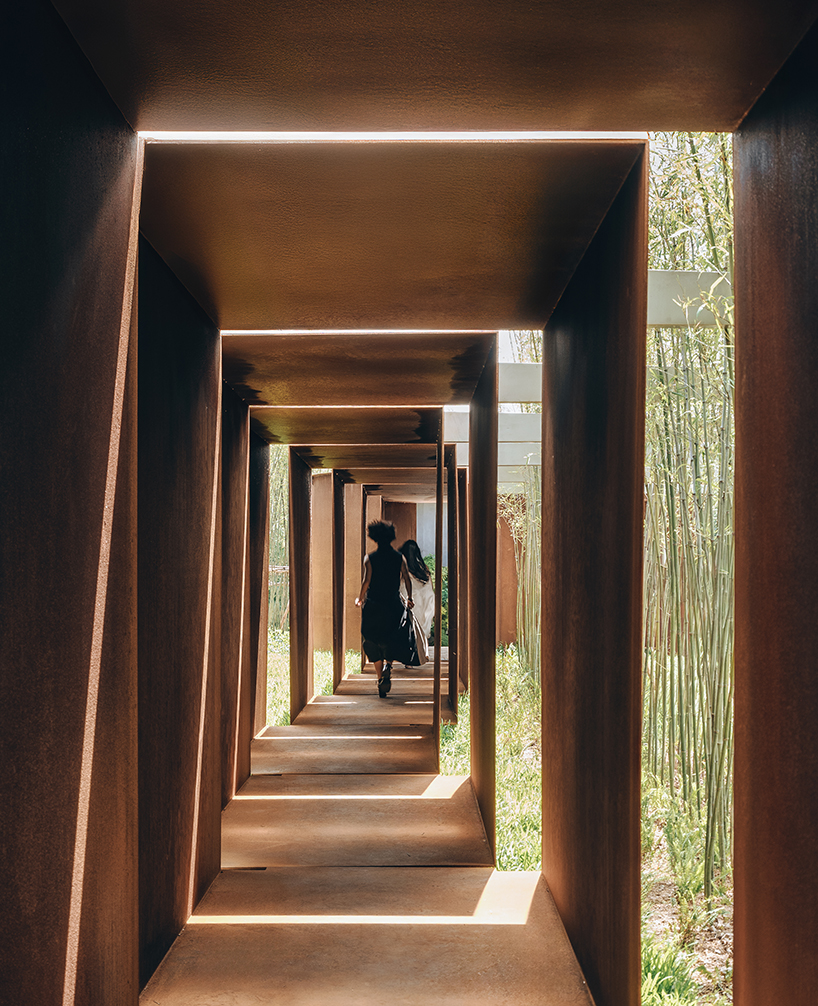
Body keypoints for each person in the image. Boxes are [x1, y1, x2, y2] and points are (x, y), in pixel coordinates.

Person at [355, 520, 420, 697]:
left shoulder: (370, 558)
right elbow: (406, 577)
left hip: (374, 604)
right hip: (393, 604)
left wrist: (360, 598)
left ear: (374, 538)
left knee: (371, 639)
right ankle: (388, 665)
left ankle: (379, 677)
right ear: (391, 537)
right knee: (391, 637)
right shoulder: (399, 557)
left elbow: (366, 581)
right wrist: (409, 598)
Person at [398, 540, 435, 655]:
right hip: (424, 600)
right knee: (420, 629)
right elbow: (431, 586)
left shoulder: (402, 567)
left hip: (410, 600)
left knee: (408, 628)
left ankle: (409, 655)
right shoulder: (423, 568)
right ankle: (422, 652)